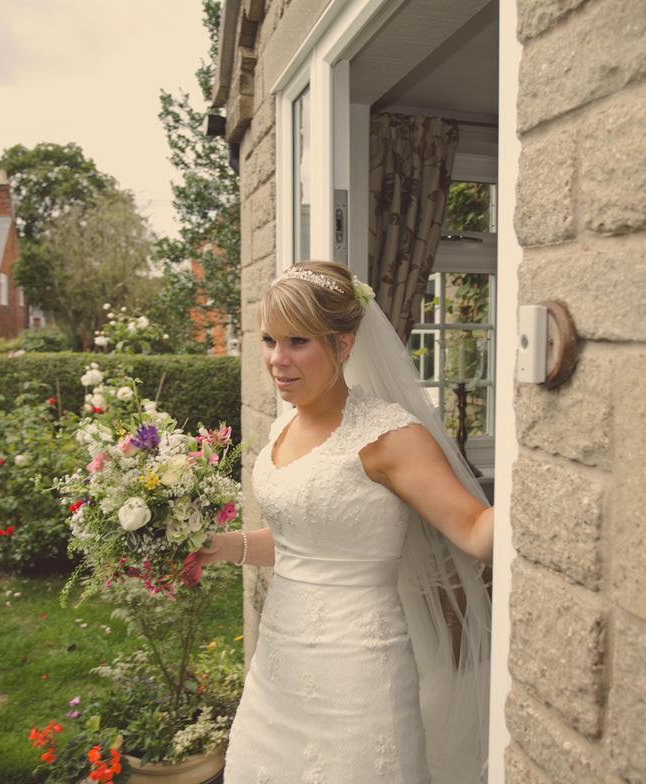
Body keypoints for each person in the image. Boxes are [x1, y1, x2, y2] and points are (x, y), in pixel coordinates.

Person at [197, 261, 493, 783]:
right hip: (277, 667)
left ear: (345, 346)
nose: (277, 360)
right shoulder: (284, 422)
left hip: (357, 674)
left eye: (298, 342)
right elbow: (307, 543)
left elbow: (474, 530)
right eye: (269, 339)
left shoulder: (390, 436)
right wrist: (223, 546)